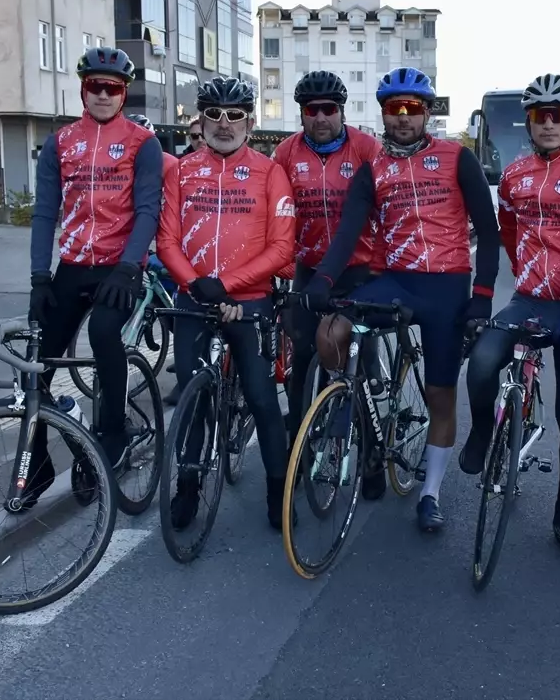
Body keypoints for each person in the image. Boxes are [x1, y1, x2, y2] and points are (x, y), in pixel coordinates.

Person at [301, 67, 501, 532]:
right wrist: (323, 282)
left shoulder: (456, 158)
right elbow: (348, 232)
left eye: (413, 108)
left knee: (439, 395)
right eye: (395, 109)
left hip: (446, 285)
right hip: (394, 279)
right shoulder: (374, 168)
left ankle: (429, 493)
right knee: (331, 332)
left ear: (427, 112)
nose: (404, 117)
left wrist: (483, 297)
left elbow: (489, 236)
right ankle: (345, 403)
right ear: (384, 113)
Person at [461, 74, 560, 548]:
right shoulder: (513, 175)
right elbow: (507, 229)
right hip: (529, 298)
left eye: (558, 116)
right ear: (528, 122)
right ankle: (484, 429)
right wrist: (528, 270)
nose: (548, 124)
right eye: (538, 116)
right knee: (484, 361)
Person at [23, 46, 163, 507]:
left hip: (119, 268)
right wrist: (38, 277)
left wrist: (129, 266)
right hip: (72, 268)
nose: (103, 94)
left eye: (113, 88)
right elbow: (45, 213)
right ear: (83, 88)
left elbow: (147, 210)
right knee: (35, 362)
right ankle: (39, 460)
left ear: (124, 93)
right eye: (95, 86)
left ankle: (114, 430)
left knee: (104, 333)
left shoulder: (143, 143)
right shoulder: (61, 143)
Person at [157, 76, 297, 530]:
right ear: (201, 120)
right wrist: (198, 285)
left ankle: (279, 491)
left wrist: (228, 284)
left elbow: (282, 250)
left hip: (250, 301)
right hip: (193, 298)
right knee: (194, 403)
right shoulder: (180, 171)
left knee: (260, 398)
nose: (223, 123)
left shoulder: (270, 172)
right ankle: (188, 489)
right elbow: (167, 241)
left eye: (233, 115)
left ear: (249, 123)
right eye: (213, 114)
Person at [272, 70, 383, 445]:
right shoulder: (286, 153)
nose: (320, 117)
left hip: (359, 269)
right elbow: (274, 211)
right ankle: (300, 437)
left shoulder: (367, 148)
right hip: (310, 267)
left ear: (342, 111)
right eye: (311, 109)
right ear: (301, 113)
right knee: (301, 354)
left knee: (354, 360)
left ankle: (368, 451)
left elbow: (387, 208)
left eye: (329, 109)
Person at [127, 113, 183, 403]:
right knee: (162, 302)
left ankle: (187, 374)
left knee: (183, 305)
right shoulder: (126, 167)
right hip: (156, 243)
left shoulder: (171, 167)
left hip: (180, 242)